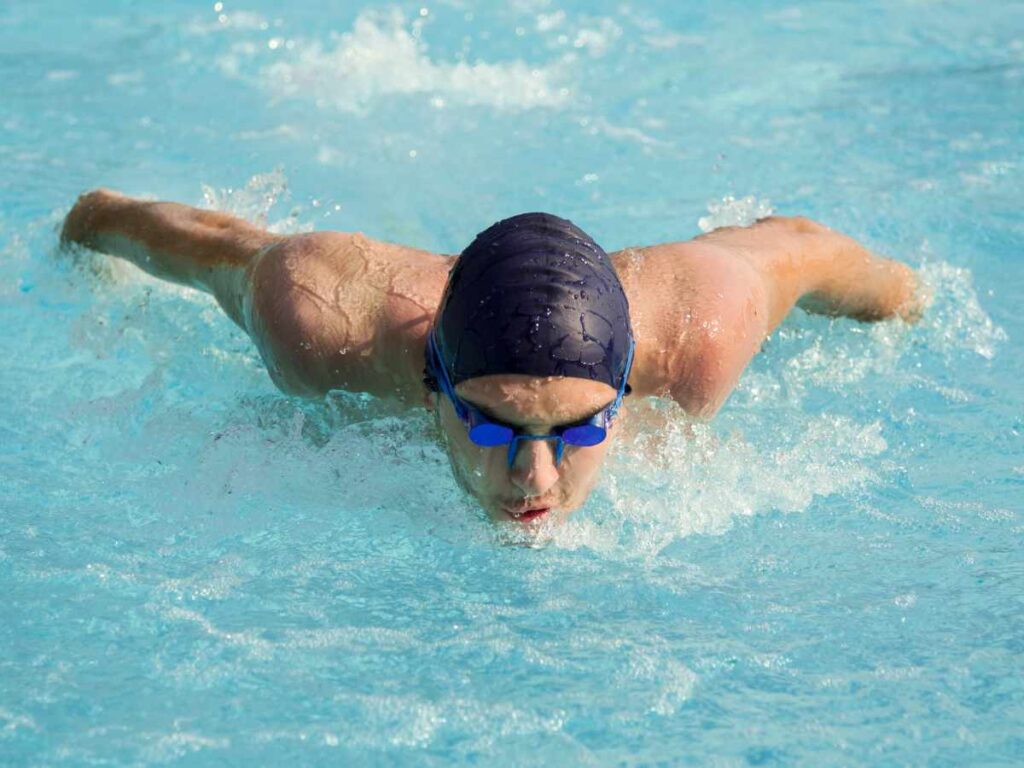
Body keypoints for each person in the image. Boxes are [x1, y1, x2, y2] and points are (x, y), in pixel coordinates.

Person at [61, 189, 923, 525]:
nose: (535, 478)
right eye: (494, 422)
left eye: (582, 429)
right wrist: (82, 232)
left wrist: (909, 301)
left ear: (626, 391)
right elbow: (200, 240)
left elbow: (806, 248)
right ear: (431, 391)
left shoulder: (700, 335)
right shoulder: (323, 326)